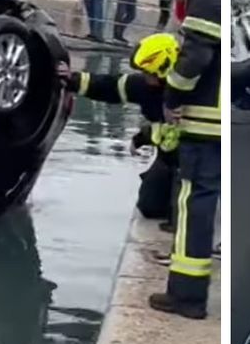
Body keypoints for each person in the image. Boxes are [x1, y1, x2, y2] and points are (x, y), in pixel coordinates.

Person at [148, 0, 222, 320]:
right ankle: (189, 293)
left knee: (195, 205)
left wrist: (173, 97)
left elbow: (194, 53)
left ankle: (187, 296)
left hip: (206, 120)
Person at [57, 33, 183, 224]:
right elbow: (111, 86)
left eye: (148, 72)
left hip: (195, 158)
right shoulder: (145, 87)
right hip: (168, 158)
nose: (145, 76)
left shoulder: (194, 91)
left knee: (183, 207)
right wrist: (72, 79)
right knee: (150, 206)